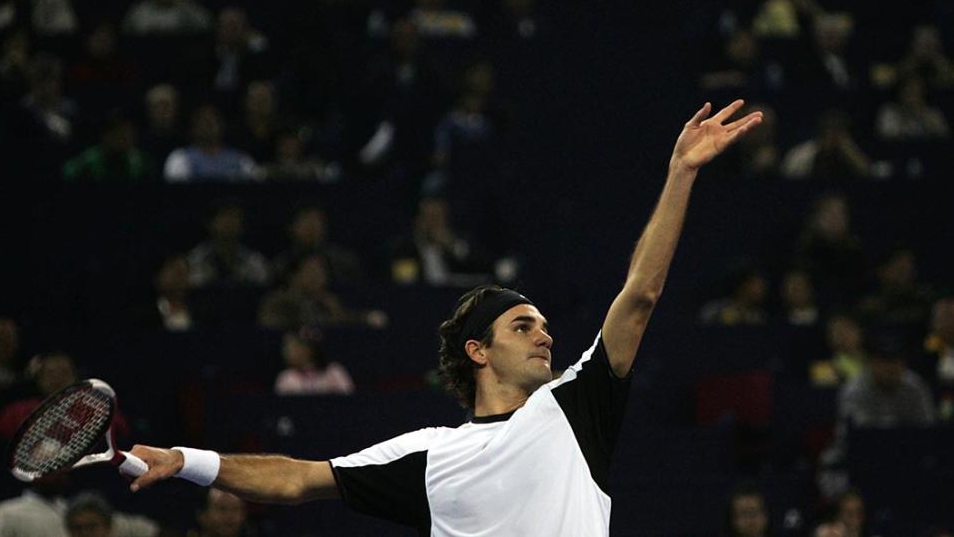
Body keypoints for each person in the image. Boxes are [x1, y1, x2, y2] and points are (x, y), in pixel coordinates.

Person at [125, 99, 763, 536]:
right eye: (522, 325)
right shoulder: (429, 454)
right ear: (477, 352)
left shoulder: (574, 406)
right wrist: (187, 458)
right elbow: (296, 481)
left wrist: (681, 173)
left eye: (543, 323)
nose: (545, 334)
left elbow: (641, 293)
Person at [274, 332, 355, 395]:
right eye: (289, 350)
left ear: (309, 350)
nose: (289, 353)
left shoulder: (334, 372)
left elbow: (349, 401)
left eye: (296, 348)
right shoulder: (286, 377)